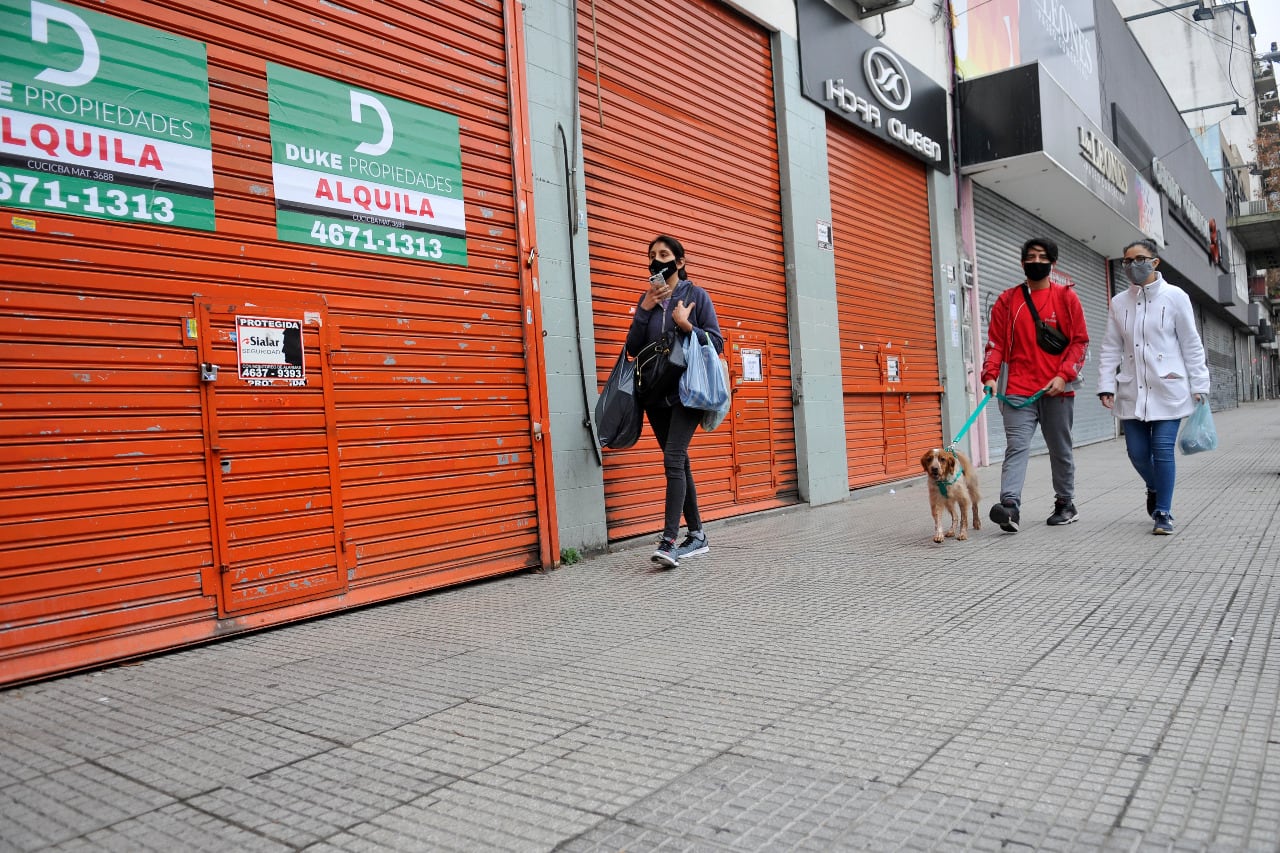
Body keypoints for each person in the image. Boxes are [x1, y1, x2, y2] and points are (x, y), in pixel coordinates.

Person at [1097, 239, 1209, 535]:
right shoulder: (1119, 302)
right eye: (1127, 260)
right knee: (1136, 452)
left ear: (1154, 262)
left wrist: (1199, 383)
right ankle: (1154, 486)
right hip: (1132, 390)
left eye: (1139, 259)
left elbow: (1191, 343)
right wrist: (1106, 385)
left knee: (1162, 450)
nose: (1133, 265)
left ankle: (1163, 512)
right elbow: (1110, 347)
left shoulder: (1175, 297)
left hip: (1168, 388)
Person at [626, 236, 723, 568]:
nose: (657, 260)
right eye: (652, 255)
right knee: (679, 462)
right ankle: (697, 535)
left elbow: (717, 343)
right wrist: (645, 309)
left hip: (688, 391)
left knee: (673, 458)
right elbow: (632, 348)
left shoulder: (696, 296)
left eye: (664, 255)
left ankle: (668, 541)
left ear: (679, 262)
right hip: (655, 393)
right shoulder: (648, 300)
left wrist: (686, 325)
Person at [981, 237, 1090, 532]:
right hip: (1017, 389)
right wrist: (990, 375)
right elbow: (995, 343)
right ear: (1022, 263)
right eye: (1031, 257)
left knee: (1060, 448)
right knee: (1016, 447)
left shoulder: (1066, 298)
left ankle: (1065, 503)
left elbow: (1080, 342)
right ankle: (1010, 506)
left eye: (1043, 257)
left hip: (1057, 390)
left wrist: (1064, 375)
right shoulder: (1007, 300)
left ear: (1053, 263)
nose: (1036, 261)